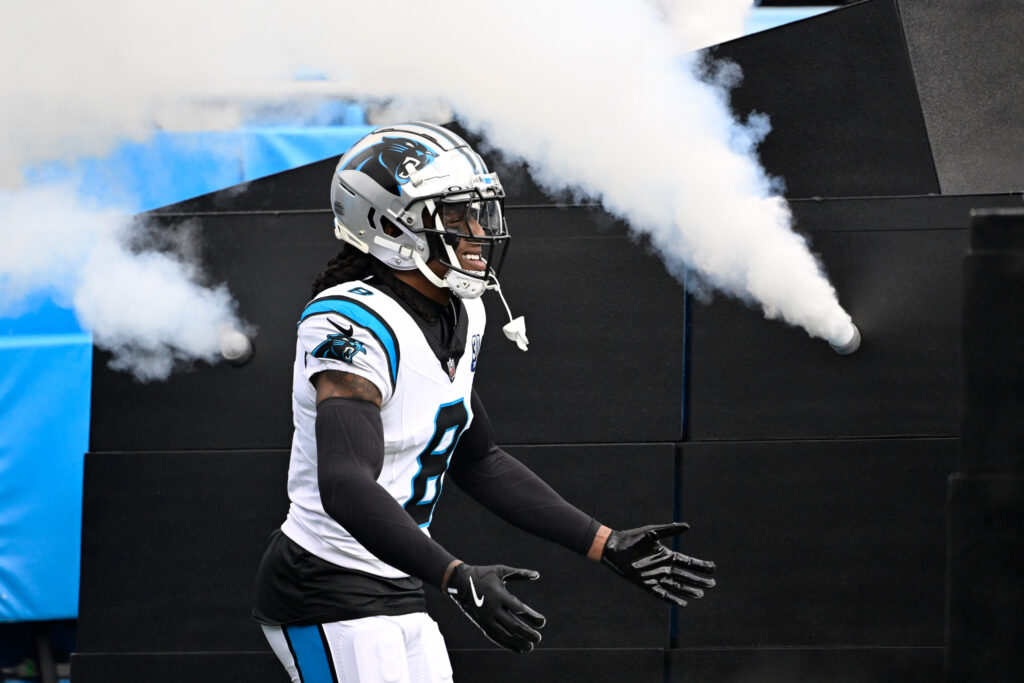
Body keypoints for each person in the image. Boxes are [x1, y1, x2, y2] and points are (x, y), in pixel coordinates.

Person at [252, 121, 715, 682]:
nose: (476, 231)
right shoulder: (350, 320)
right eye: (454, 217)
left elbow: (479, 458)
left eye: (478, 213)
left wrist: (603, 542)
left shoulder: (461, 309)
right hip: (325, 583)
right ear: (388, 224)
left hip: (397, 577)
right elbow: (347, 485)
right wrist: (456, 576)